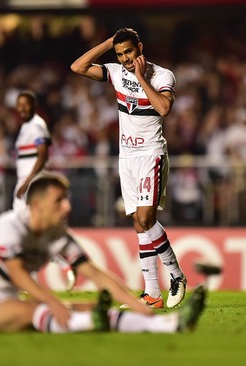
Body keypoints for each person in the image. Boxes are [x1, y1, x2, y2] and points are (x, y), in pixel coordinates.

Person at [0, 171, 206, 334]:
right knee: (44, 311)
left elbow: (95, 273)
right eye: (58, 200)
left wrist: (133, 303)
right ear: (37, 205)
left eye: (66, 199)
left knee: (88, 307)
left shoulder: (56, 234)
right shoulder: (8, 228)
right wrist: (53, 301)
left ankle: (170, 325)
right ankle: (84, 322)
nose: (66, 205)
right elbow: (18, 275)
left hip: (11, 303)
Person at [71, 27, 186, 308]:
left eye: (128, 52)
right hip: (127, 157)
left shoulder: (162, 75)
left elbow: (163, 108)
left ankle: (177, 275)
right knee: (138, 223)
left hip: (151, 155)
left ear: (140, 48)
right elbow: (78, 66)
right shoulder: (116, 71)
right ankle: (152, 294)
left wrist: (139, 77)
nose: (124, 59)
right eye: (119, 54)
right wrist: (109, 43)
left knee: (146, 219)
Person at [13, 90, 75, 290]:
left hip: (31, 184)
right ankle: (48, 269)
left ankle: (55, 265)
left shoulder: (37, 126)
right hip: (24, 182)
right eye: (19, 104)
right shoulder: (26, 127)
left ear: (34, 105)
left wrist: (27, 182)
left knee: (27, 229)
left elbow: (42, 156)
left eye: (26, 104)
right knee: (26, 231)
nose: (22, 108)